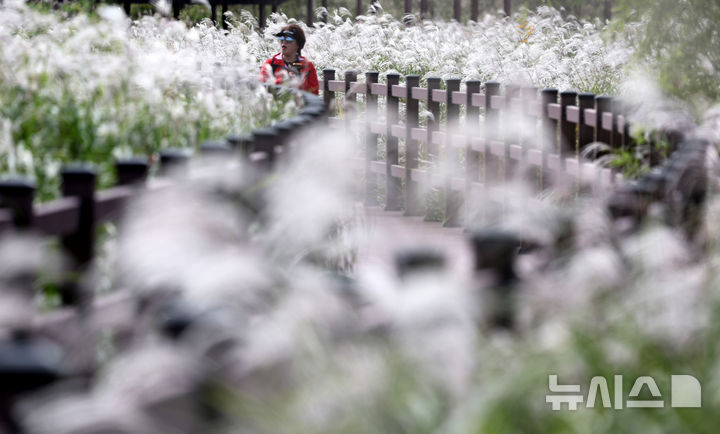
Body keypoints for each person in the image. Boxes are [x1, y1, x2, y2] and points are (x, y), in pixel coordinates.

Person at [260, 24, 319, 95]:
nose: (284, 42)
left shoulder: (308, 66)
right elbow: (262, 89)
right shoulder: (270, 63)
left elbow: (314, 93)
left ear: (298, 44)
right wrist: (284, 81)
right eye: (281, 39)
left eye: (288, 39)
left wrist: (299, 82)